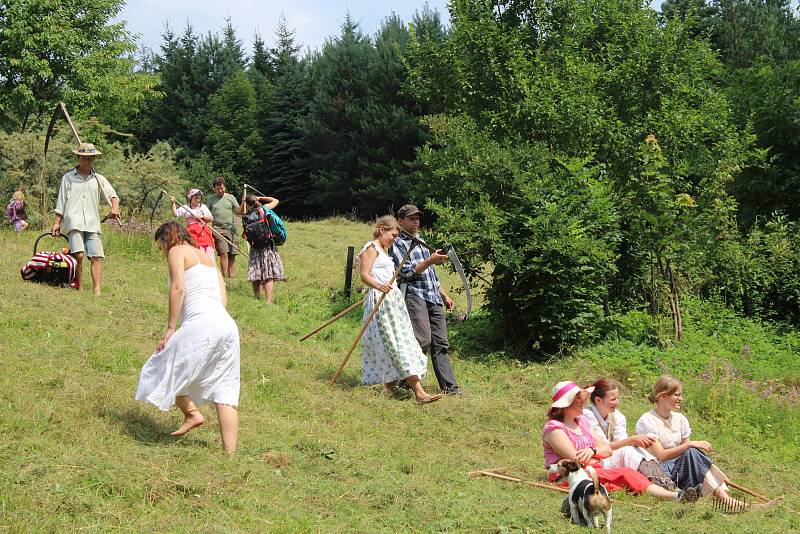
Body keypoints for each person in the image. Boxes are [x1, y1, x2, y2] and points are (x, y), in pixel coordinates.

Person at [135, 221, 240, 454]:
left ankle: (192, 414)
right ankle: (230, 457)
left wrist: (171, 327)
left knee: (160, 366)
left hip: (202, 323)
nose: (161, 250)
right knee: (225, 391)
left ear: (168, 238)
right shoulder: (208, 259)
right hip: (227, 326)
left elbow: (178, 288)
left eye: (160, 244)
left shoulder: (177, 251)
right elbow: (223, 300)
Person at [635, 376, 779, 509]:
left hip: (682, 469)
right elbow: (661, 455)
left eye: (681, 395)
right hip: (661, 472)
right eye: (677, 395)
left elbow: (692, 455)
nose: (681, 399)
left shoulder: (680, 419)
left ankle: (727, 497)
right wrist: (689, 445)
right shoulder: (648, 420)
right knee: (690, 450)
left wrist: (710, 466)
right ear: (663, 395)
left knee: (692, 452)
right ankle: (727, 499)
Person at [542, 380, 687, 501]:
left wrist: (592, 451)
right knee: (625, 474)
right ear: (566, 404)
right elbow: (575, 460)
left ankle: (673, 492)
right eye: (578, 398)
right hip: (570, 475)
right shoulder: (554, 428)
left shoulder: (581, 423)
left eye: (581, 398)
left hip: (592, 470)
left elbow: (607, 449)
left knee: (623, 480)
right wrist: (596, 456)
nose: (582, 402)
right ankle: (673, 495)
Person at [360, 215, 441, 404]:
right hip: (380, 301)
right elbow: (364, 275)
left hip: (393, 300)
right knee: (396, 343)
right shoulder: (370, 248)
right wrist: (379, 286)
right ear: (382, 229)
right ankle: (419, 393)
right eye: (393, 234)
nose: (395, 238)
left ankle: (390, 389)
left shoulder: (384, 250)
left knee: (399, 341)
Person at [390, 204, 464, 396]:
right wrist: (430, 260)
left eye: (417, 218)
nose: (416, 222)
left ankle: (450, 388)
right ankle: (406, 381)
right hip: (414, 295)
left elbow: (431, 275)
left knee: (441, 343)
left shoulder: (421, 241)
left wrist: (444, 295)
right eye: (411, 219)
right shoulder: (397, 243)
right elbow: (405, 272)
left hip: (432, 295)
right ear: (401, 221)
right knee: (422, 339)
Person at [582, 379, 679, 492]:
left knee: (634, 450)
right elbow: (603, 446)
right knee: (628, 450)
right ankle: (666, 487)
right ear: (598, 400)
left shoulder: (617, 416)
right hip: (596, 459)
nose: (617, 402)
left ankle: (666, 484)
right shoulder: (587, 416)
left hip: (611, 456)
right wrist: (631, 440)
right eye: (613, 399)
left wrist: (632, 442)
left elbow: (621, 442)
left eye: (617, 398)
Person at [52, 142, 120, 295]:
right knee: (79, 254)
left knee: (96, 255)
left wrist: (115, 207)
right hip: (73, 220)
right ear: (78, 157)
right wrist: (57, 223)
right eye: (83, 158)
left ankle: (97, 290)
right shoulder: (68, 178)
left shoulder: (98, 179)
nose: (86, 161)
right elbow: (61, 202)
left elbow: (112, 195)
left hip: (92, 222)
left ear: (94, 159)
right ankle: (79, 285)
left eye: (89, 158)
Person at [242, 194, 286, 303]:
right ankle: (268, 301)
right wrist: (260, 198)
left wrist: (244, 202)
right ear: (256, 201)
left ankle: (256, 298)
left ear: (247, 204)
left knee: (255, 271)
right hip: (268, 246)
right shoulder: (263, 209)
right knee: (268, 273)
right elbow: (276, 200)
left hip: (255, 247)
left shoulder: (246, 215)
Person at [207, 177, 243, 278]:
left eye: (222, 188)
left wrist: (243, 203)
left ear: (225, 187)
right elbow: (206, 213)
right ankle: (224, 278)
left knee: (232, 255)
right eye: (218, 189)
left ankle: (232, 278)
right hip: (217, 230)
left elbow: (239, 212)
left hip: (231, 230)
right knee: (224, 253)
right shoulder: (211, 199)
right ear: (214, 188)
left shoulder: (231, 197)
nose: (220, 190)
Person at [171, 188, 215, 264]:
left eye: (199, 197)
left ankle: (210, 266)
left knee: (208, 250)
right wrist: (173, 203)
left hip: (203, 231)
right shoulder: (186, 207)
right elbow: (175, 214)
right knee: (197, 250)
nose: (198, 199)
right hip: (192, 232)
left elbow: (211, 218)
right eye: (196, 197)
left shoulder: (203, 207)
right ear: (191, 198)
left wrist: (202, 217)